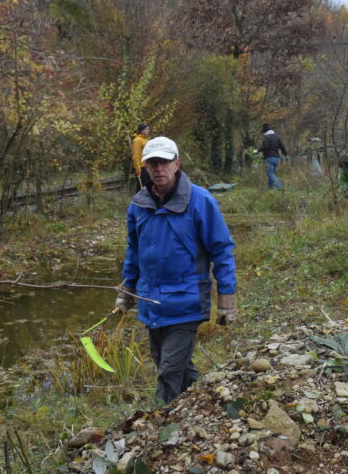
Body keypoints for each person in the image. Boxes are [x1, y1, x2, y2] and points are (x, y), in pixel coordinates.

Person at [114, 136, 237, 405]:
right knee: (171, 366)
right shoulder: (138, 205)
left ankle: (159, 425)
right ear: (145, 167)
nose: (158, 169)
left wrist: (226, 301)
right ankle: (209, 405)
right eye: (152, 163)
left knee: (169, 370)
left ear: (177, 164)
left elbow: (221, 250)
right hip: (151, 302)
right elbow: (133, 252)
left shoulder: (200, 201)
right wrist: (127, 291)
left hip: (187, 300)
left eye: (164, 162)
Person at [258, 123, 287, 190]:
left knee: (270, 174)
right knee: (272, 174)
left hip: (269, 158)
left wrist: (257, 151)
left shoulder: (267, 137)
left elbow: (265, 146)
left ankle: (279, 187)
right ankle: (269, 189)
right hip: (277, 158)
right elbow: (282, 146)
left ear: (265, 132)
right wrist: (286, 155)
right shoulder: (277, 137)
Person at [131, 123, 153, 193]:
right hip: (142, 168)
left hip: (148, 166)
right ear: (142, 130)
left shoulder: (145, 140)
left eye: (148, 129)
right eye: (146, 129)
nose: (148, 131)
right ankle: (138, 201)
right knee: (141, 187)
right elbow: (135, 155)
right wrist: (138, 169)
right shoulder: (137, 140)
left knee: (149, 186)